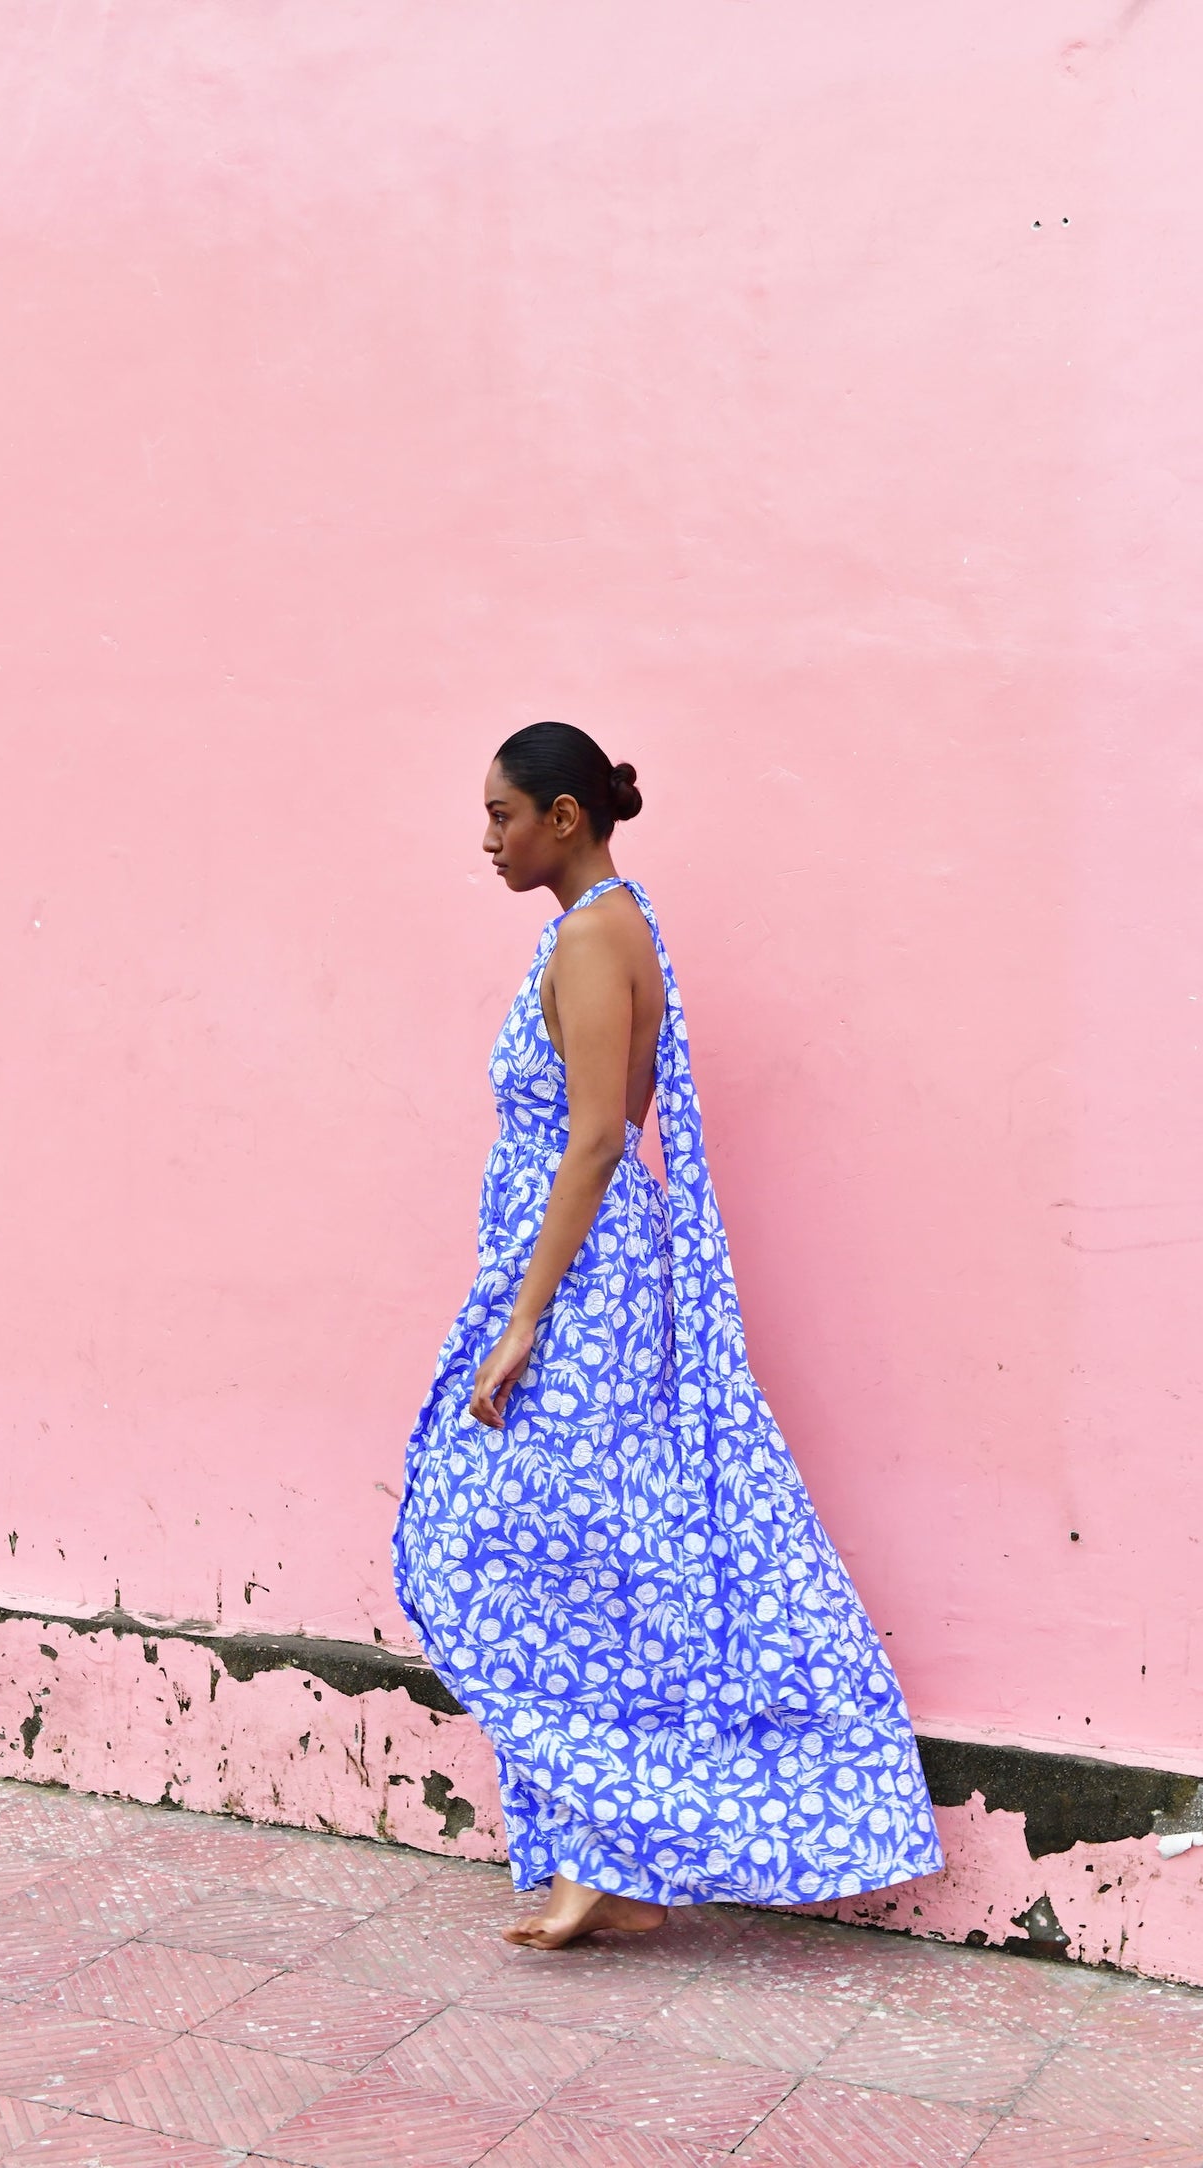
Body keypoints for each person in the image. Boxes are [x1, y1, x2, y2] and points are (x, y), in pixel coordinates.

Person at [392, 722, 942, 1949]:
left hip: (579, 1277)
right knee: (591, 1545)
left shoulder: (594, 936)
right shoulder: (613, 923)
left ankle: (621, 1832)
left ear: (565, 817)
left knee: (488, 1536)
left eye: (502, 814)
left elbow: (598, 1132)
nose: (486, 838)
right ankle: (604, 1841)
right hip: (588, 1263)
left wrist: (527, 1313)